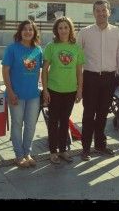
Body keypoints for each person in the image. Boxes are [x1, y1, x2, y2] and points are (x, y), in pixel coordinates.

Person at [77, 0, 119, 161]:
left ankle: (100, 145)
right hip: (90, 78)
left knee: (103, 114)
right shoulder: (85, 32)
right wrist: (78, 82)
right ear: (93, 13)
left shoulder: (117, 32)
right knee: (88, 114)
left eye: (104, 10)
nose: (101, 13)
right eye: (97, 10)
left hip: (109, 78)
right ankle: (85, 148)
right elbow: (77, 58)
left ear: (109, 12)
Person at [42, 17, 84, 164]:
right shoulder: (51, 46)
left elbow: (79, 71)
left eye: (66, 27)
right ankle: (53, 152)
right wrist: (45, 90)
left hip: (70, 91)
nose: (63, 30)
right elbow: (45, 70)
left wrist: (80, 90)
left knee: (65, 121)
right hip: (54, 90)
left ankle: (63, 151)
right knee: (53, 121)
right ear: (56, 30)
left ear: (70, 29)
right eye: (60, 28)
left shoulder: (76, 47)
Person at [2, 20, 42, 168]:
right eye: (25, 29)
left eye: (30, 30)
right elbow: (5, 71)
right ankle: (19, 155)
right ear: (20, 32)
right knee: (17, 125)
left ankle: (27, 153)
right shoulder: (12, 49)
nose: (28, 32)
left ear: (34, 32)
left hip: (33, 95)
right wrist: (10, 91)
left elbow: (41, 70)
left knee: (31, 125)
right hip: (16, 95)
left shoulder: (38, 50)